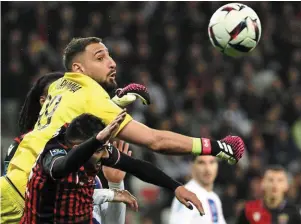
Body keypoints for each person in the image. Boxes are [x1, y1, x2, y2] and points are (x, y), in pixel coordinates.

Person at [6, 37, 244, 221]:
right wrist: (215, 146)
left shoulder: (60, 84)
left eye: (109, 56)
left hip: (16, 184)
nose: (112, 63)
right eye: (100, 58)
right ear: (79, 69)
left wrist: (115, 103)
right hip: (27, 194)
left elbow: (80, 120)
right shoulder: (91, 93)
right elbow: (155, 141)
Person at [1, 71, 150, 223]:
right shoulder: (23, 147)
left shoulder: (92, 177)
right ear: (46, 102)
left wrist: (115, 182)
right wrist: (110, 193)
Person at [21, 111, 205, 223]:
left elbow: (136, 166)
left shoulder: (97, 150)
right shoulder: (52, 156)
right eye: (98, 149)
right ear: (77, 148)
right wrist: (96, 142)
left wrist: (176, 187)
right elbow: (60, 168)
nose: (103, 156)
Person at [169, 156, 227, 224]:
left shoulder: (214, 197)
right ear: (192, 166)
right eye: (201, 163)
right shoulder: (187, 195)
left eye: (212, 162)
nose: (207, 169)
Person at [236, 165, 301, 224]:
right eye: (270, 180)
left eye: (280, 180)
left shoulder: (294, 212)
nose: (275, 185)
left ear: (286, 185)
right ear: (262, 183)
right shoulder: (248, 209)